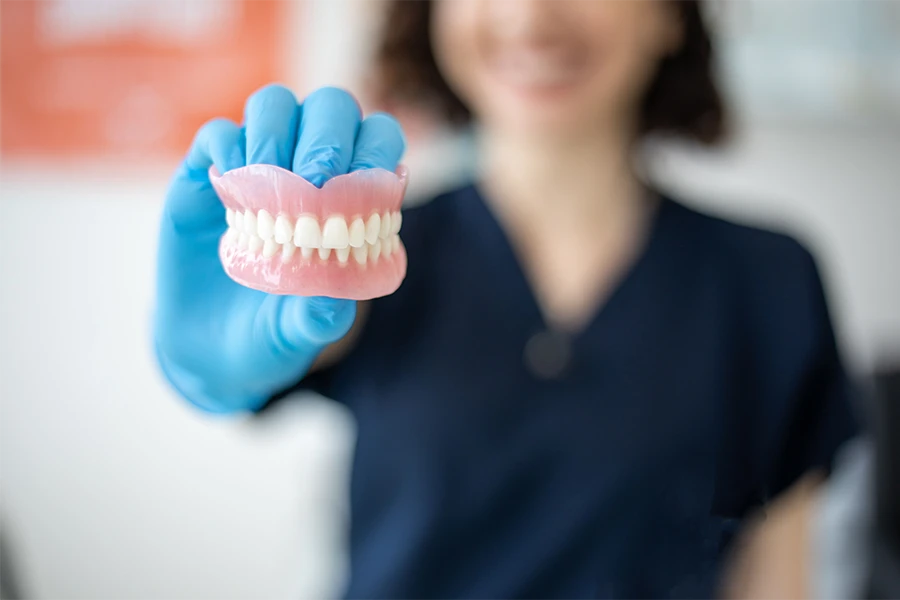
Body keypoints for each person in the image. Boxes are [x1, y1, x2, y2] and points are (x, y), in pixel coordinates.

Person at [153, 0, 861, 597]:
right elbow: (289, 347)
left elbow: (775, 577)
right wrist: (219, 357)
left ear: (670, 16)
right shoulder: (367, 256)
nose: (530, 16)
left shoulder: (768, 281)